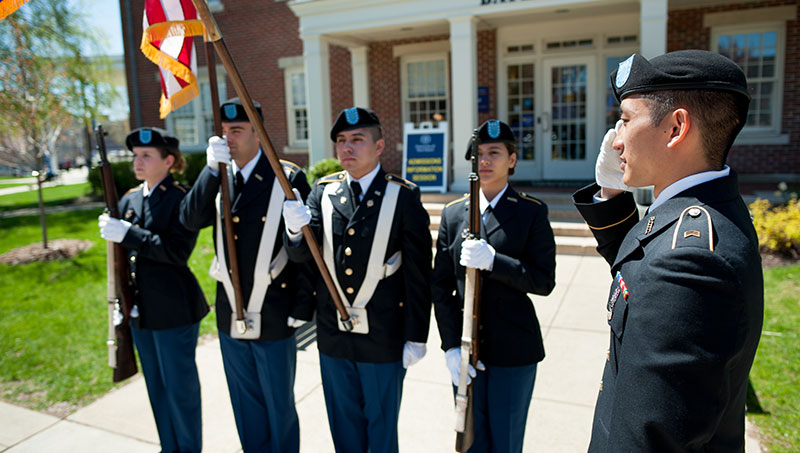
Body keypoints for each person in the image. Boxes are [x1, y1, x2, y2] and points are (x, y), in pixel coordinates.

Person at [573, 50, 763, 451]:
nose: (616, 139)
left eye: (625, 119)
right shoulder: (706, 211)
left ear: (676, 127)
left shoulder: (691, 263)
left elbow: (649, 439)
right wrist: (611, 190)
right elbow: (640, 276)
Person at [282, 107, 432, 453]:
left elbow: (418, 272)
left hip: (384, 334)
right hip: (334, 336)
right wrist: (293, 230)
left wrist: (416, 335)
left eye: (357, 139)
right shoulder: (323, 192)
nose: (347, 147)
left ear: (379, 146)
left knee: (381, 430)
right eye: (341, 141)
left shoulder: (403, 195)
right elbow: (304, 258)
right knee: (344, 426)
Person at [179, 98, 313, 452]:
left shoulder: (287, 177)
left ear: (259, 132)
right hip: (231, 313)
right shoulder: (218, 174)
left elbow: (307, 254)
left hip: (274, 310)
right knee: (245, 405)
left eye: (236, 131)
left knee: (278, 406)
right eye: (222, 132)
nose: (228, 139)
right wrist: (209, 171)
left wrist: (303, 305)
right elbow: (189, 221)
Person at [432, 120, 556, 452]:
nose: (484, 161)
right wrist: (450, 347)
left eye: (494, 153)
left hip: (514, 350)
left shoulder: (531, 212)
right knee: (470, 440)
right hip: (466, 350)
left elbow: (544, 280)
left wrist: (494, 261)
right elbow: (441, 287)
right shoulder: (454, 214)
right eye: (478, 155)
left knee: (505, 442)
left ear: (512, 160)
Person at [98, 127, 209, 453]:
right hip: (140, 311)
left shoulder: (180, 199)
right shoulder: (130, 198)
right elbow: (124, 258)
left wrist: (129, 234)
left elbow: (176, 252)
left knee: (180, 390)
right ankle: (169, 447)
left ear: (169, 160)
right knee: (157, 389)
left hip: (174, 309)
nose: (138, 161)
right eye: (135, 156)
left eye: (147, 155)